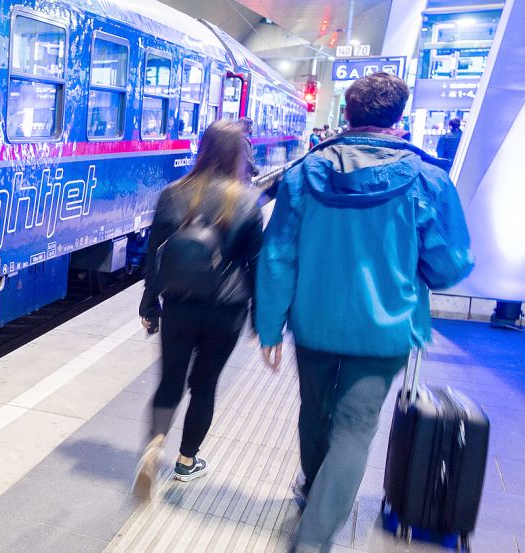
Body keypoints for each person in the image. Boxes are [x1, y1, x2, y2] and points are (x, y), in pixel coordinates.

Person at [255, 72, 474, 553]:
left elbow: (277, 256)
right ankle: (312, 540)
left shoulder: (303, 176)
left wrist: (269, 325)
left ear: (348, 115)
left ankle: (316, 492)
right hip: (385, 330)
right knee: (354, 427)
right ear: (397, 119)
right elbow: (450, 263)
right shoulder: (428, 180)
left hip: (313, 323)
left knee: (314, 414)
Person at [133, 120, 264, 498]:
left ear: (202, 148)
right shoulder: (246, 199)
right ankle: (187, 462)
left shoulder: (174, 192)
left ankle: (154, 445)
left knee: (170, 381)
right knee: (204, 386)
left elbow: (153, 254)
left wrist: (149, 303)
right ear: (240, 154)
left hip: (180, 304)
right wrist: (259, 318)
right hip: (227, 309)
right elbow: (255, 264)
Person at [239, 117, 261, 181]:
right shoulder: (241, 140)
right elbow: (245, 158)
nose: (251, 128)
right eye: (250, 125)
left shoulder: (243, 138)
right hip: (242, 176)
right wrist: (254, 169)